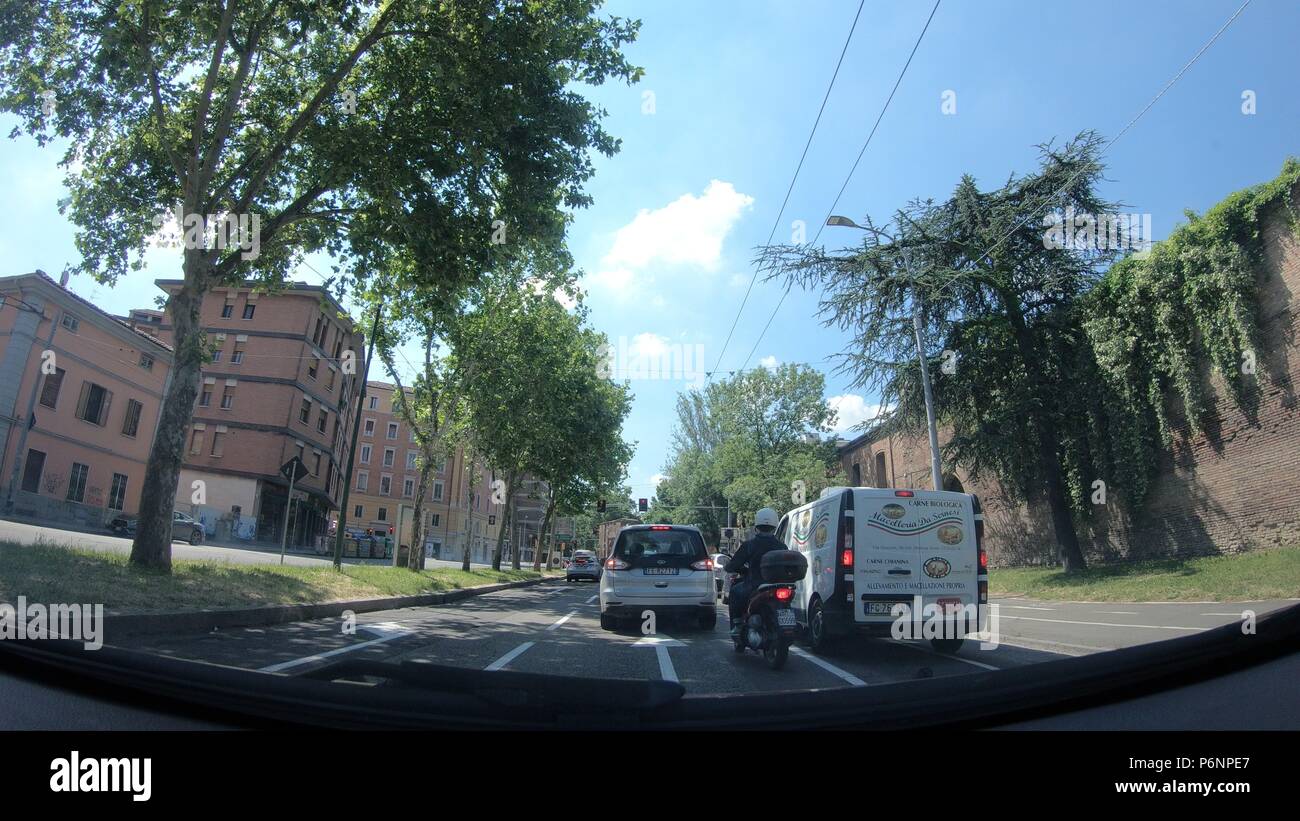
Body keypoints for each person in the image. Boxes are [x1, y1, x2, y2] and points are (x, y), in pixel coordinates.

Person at [724, 507, 785, 636]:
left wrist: (743, 570)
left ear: (757, 524)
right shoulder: (781, 546)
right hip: (777, 586)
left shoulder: (749, 545)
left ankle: (738, 624)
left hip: (754, 585)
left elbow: (731, 566)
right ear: (775, 524)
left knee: (734, 591)